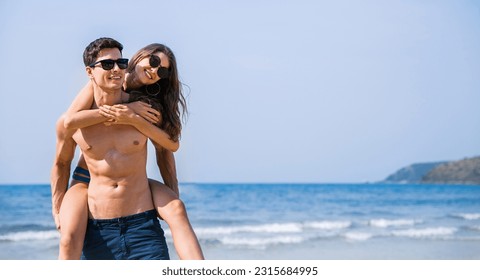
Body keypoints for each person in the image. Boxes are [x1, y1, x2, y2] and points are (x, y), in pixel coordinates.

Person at [50, 37, 202, 259]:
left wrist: (171, 196)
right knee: (69, 237)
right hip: (86, 176)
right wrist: (57, 208)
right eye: (152, 61)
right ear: (139, 57)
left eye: (162, 72)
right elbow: (69, 123)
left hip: (132, 184)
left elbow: (167, 150)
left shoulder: (147, 106)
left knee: (176, 208)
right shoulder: (100, 84)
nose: (154, 71)